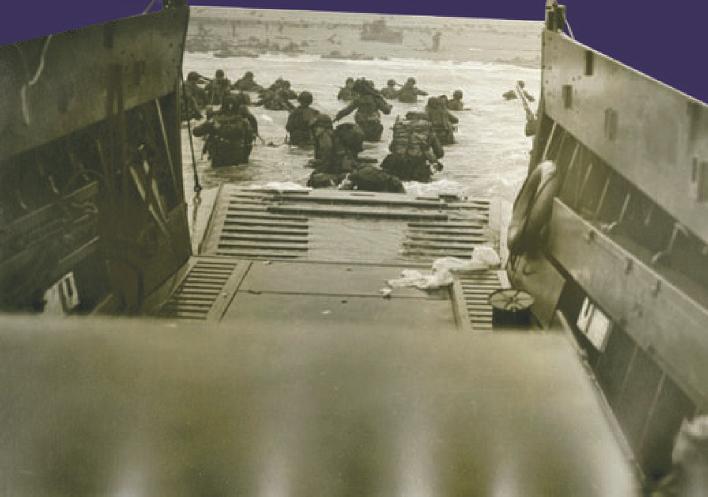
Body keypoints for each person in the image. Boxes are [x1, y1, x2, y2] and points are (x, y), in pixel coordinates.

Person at [381, 112, 443, 182]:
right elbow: (440, 153)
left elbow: (391, 148)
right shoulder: (428, 129)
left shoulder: (400, 128)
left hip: (395, 164)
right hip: (416, 167)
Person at [192, 95, 252, 167]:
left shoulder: (215, 120)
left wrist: (213, 124)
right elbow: (196, 132)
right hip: (235, 158)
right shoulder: (242, 120)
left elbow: (196, 132)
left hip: (221, 158)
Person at [307, 115, 363, 187]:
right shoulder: (334, 135)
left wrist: (320, 169)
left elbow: (328, 154)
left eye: (316, 128)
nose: (315, 131)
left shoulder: (324, 135)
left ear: (322, 127)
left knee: (314, 179)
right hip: (346, 170)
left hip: (340, 171)